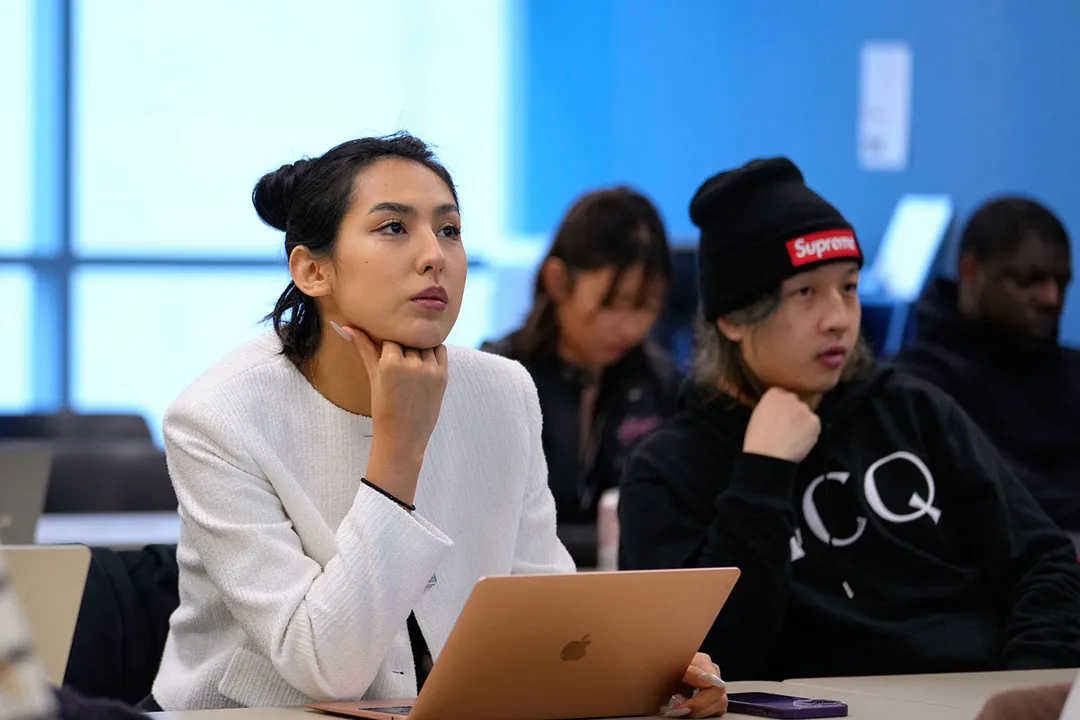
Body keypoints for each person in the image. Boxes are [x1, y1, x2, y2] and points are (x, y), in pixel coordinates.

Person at [147, 133, 726, 716]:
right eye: (394, 228)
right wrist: (399, 450)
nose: (435, 256)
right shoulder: (217, 418)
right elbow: (325, 668)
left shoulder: (503, 391)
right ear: (312, 270)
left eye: (449, 230)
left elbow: (546, 608)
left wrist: (641, 668)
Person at [618, 157, 1080, 681]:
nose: (839, 318)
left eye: (850, 287)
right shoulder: (668, 469)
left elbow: (1045, 564)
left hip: (972, 696)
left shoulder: (915, 411)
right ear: (732, 318)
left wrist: (1027, 686)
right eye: (806, 293)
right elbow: (707, 662)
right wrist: (762, 475)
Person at [482, 187, 681, 567]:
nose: (629, 327)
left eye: (646, 306)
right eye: (612, 304)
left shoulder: (663, 384)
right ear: (557, 280)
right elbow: (490, 530)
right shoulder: (498, 377)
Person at [892, 197, 1080, 530]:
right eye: (1028, 281)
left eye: (1061, 283)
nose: (1051, 298)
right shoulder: (919, 385)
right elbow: (1001, 490)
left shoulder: (1071, 370)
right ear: (971, 271)